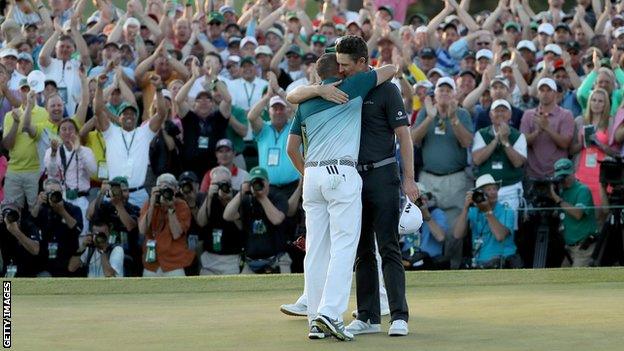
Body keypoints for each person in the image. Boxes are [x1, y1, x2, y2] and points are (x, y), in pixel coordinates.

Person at [286, 51, 397, 340]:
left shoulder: (305, 100)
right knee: (344, 246)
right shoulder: (352, 85)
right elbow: (391, 68)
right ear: (340, 70)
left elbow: (291, 149)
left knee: (316, 250)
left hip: (311, 176)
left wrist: (313, 89)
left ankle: (314, 319)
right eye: (344, 66)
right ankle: (330, 314)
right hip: (340, 173)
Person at [411, 77, 474, 269]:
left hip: (455, 179)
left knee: (456, 230)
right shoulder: (426, 112)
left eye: (448, 90)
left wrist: (453, 119)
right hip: (429, 178)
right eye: (441, 90)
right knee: (425, 222)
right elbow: (413, 139)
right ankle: (426, 265)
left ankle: (453, 268)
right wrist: (430, 117)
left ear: (454, 94)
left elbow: (466, 142)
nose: (445, 93)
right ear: (435, 94)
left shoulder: (462, 114)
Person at [95, 73, 167, 208]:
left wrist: (158, 89)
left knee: (140, 228)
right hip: (114, 192)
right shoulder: (111, 132)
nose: (129, 116)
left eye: (132, 114)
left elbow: (162, 114)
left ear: (137, 117)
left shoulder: (144, 132)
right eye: (125, 113)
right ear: (119, 117)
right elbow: (98, 111)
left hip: (138, 194)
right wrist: (99, 87)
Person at [223, 167, 291, 275]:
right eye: (255, 182)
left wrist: (262, 197)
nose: (258, 185)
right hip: (251, 263)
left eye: (261, 181)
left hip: (277, 260)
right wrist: (241, 192)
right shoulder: (246, 199)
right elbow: (227, 216)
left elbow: (277, 219)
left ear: (268, 183)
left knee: (285, 289)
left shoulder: (278, 197)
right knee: (240, 289)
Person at [452, 174, 520, 269]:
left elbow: (500, 236)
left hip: (503, 261)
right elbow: (457, 235)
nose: (493, 192)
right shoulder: (473, 211)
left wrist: (488, 211)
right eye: (488, 190)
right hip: (478, 262)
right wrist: (465, 208)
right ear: (479, 194)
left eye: (494, 189)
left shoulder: (507, 210)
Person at [472, 99, 527, 212]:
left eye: (504, 111)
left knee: (508, 226)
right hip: (485, 190)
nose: (500, 114)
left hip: (510, 189)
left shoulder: (518, 136)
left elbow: (518, 163)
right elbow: (477, 160)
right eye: (497, 111)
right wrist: (496, 139)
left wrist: (505, 141)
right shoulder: (481, 134)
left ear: (510, 115)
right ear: (491, 115)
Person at [44, 118, 97, 234]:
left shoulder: (86, 151)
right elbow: (52, 172)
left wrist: (78, 150)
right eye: (63, 129)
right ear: (59, 133)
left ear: (76, 133)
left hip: (81, 199)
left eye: (71, 129)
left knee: (81, 233)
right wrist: (53, 153)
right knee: (62, 234)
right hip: (61, 199)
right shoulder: (51, 151)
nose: (67, 132)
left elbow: (93, 171)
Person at [138, 173, 195, 277]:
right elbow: (142, 230)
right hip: (152, 264)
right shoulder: (149, 204)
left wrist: (171, 208)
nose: (165, 190)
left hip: (174, 263)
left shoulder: (181, 205)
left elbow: (176, 234)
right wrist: (152, 204)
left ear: (176, 190)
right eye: (161, 186)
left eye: (169, 187)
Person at [520, 78, 575, 180]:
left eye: (549, 90)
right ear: (537, 94)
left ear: (555, 94)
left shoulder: (566, 115)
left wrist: (547, 127)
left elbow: (565, 144)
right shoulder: (528, 114)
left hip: (558, 174)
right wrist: (537, 132)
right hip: (533, 174)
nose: (545, 94)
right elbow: (522, 142)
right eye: (542, 90)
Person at [549, 158, 598, 267]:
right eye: (561, 177)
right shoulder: (561, 191)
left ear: (573, 172)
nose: (564, 180)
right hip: (569, 247)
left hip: (583, 247)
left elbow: (578, 214)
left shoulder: (582, 190)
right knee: (562, 279)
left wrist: (558, 200)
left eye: (566, 176)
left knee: (577, 280)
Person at [87, 176, 140, 276]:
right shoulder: (106, 207)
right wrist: (101, 193)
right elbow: (89, 215)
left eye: (124, 191)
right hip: (107, 253)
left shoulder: (134, 209)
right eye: (117, 191)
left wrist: (118, 204)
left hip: (128, 256)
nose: (121, 194)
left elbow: (130, 226)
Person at [196, 166, 244, 275]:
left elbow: (242, 227)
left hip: (231, 258)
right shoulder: (207, 197)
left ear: (231, 183)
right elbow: (201, 222)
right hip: (209, 258)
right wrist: (209, 197)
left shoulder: (237, 197)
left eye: (225, 183)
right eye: (217, 183)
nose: (222, 186)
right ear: (211, 184)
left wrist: (229, 202)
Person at [31, 178, 83, 276]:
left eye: (57, 192)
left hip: (68, 263)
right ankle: (6, 291)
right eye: (50, 192)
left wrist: (62, 211)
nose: (54, 195)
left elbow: (78, 230)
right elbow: (31, 223)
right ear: (45, 194)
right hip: (46, 264)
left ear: (62, 192)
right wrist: (38, 203)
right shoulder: (42, 210)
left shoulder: (73, 209)